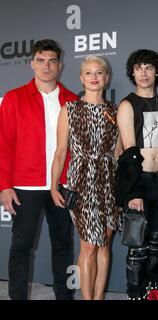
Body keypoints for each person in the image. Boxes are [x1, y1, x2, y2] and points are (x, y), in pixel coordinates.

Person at [0, 39, 77, 300]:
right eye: (41, 60)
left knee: (64, 245)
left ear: (60, 65)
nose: (46, 66)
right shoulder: (13, 98)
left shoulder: (72, 100)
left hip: (63, 185)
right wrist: (4, 185)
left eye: (52, 60)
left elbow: (77, 149)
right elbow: (4, 144)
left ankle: (64, 297)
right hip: (25, 186)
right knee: (20, 247)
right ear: (32, 63)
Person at [50, 55, 121, 300]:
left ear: (106, 78)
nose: (94, 77)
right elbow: (60, 151)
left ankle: (98, 297)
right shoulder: (69, 109)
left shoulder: (115, 110)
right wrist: (54, 185)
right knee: (88, 245)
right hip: (80, 180)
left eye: (99, 73)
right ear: (81, 78)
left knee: (105, 244)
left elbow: (119, 153)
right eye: (88, 73)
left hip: (109, 181)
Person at [116, 49, 158, 300]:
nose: (144, 73)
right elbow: (129, 153)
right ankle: (134, 294)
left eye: (148, 67)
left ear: (156, 71)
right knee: (137, 245)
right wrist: (134, 191)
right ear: (132, 72)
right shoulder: (128, 104)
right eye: (138, 67)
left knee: (156, 242)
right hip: (140, 182)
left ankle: (151, 289)